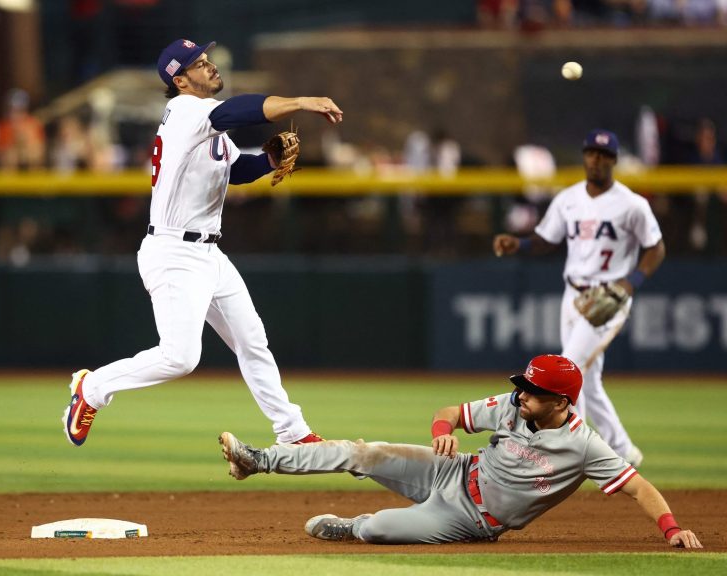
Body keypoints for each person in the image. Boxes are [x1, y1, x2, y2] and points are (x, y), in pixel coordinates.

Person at [63, 38, 344, 447]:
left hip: (208, 252)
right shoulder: (185, 111)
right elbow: (239, 110)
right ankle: (91, 389)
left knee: (252, 339)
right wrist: (301, 100)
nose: (210, 66)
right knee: (180, 357)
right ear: (180, 80)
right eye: (199, 63)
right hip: (174, 252)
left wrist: (266, 162)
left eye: (209, 59)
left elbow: (236, 170)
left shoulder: (206, 120)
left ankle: (292, 431)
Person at [218, 354, 702, 548]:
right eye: (523, 387)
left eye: (532, 391)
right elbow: (449, 411)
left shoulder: (584, 445)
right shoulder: (515, 405)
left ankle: (354, 528)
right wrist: (441, 430)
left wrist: (672, 528)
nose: (521, 395)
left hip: (472, 520)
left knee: (381, 527)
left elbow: (637, 486)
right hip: (452, 471)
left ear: (561, 402)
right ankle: (259, 459)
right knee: (360, 452)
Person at [492, 130, 666, 467]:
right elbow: (546, 238)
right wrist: (519, 244)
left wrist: (632, 283)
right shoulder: (568, 198)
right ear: (584, 157)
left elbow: (656, 247)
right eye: (591, 153)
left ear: (613, 160)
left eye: (603, 155)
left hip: (609, 295)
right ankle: (624, 450)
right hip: (572, 293)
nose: (596, 160)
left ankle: (572, 449)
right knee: (589, 379)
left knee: (569, 366)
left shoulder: (632, 204)